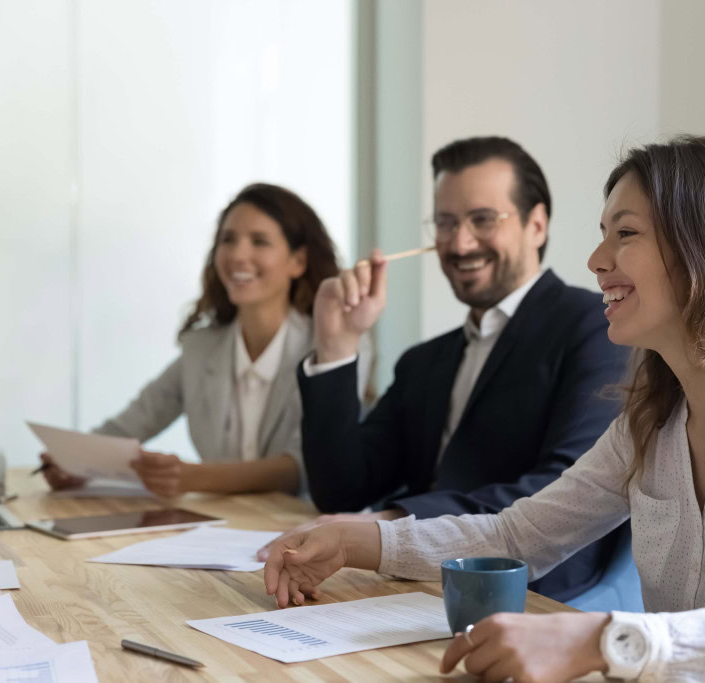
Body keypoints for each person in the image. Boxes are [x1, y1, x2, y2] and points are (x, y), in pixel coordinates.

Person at [262, 136, 705, 682]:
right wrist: (361, 540)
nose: (596, 260)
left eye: (624, 234)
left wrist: (606, 639)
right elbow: (516, 537)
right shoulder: (652, 420)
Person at [263, 137, 628, 603]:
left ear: (537, 224)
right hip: (408, 589)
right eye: (445, 223)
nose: (459, 243)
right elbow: (340, 489)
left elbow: (562, 487)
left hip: (532, 596)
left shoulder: (595, 329)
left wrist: (388, 525)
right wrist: (337, 344)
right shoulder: (425, 361)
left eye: (481, 220)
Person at [41, 183, 370, 498]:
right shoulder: (202, 349)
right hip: (228, 528)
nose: (238, 255)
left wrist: (192, 477)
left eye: (259, 241)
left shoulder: (335, 347)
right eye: (228, 239)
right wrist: (75, 461)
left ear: (298, 261)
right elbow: (133, 421)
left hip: (309, 534)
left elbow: (300, 468)